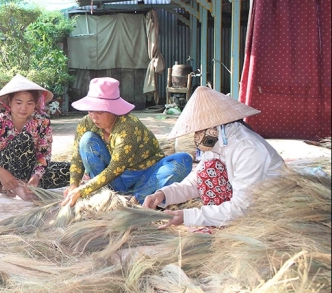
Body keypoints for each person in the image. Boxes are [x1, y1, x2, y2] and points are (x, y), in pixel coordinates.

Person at [142, 86, 285, 229]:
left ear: (214, 126)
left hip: (266, 210)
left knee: (211, 169)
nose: (196, 136)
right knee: (208, 170)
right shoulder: (217, 141)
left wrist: (188, 216)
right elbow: (196, 182)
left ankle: (224, 224)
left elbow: (241, 207)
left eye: (199, 129)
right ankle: (218, 221)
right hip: (243, 205)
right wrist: (162, 195)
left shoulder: (249, 150)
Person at [61, 77, 193, 207]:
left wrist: (83, 190)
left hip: (147, 175)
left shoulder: (128, 126)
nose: (93, 116)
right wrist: (74, 185)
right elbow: (77, 157)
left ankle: (137, 198)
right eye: (90, 111)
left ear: (113, 109)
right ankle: (105, 194)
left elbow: (115, 168)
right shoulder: (86, 123)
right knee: (86, 140)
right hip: (114, 180)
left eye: (100, 111)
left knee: (183, 159)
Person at [0, 74, 71, 200]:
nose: (24, 108)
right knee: (24, 139)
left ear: (35, 104)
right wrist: (1, 172)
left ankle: (28, 186)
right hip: (4, 170)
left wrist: (36, 177)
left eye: (29, 103)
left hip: (30, 168)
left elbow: (44, 155)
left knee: (70, 170)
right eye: (18, 102)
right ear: (9, 103)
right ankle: (13, 186)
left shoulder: (42, 121)